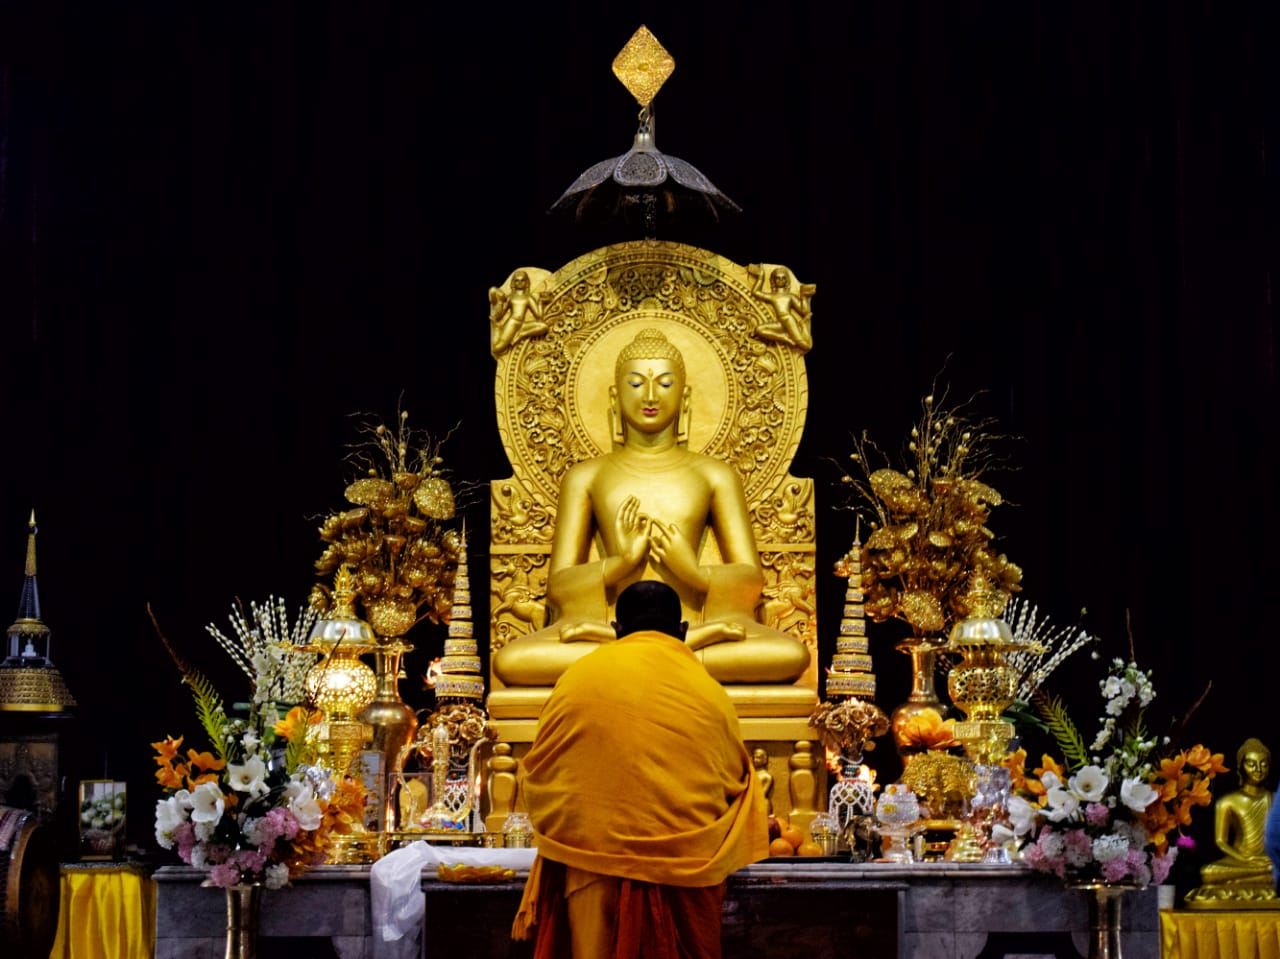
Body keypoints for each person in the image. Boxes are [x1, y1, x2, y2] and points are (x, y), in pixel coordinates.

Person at [491, 327, 811, 687]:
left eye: (664, 383)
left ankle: (653, 648)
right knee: (512, 660)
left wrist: (695, 573)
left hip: (696, 624)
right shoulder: (585, 477)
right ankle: (669, 650)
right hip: (607, 626)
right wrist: (620, 564)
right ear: (615, 397)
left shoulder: (715, 475)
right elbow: (559, 584)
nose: (650, 395)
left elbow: (751, 580)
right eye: (635, 383)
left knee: (790, 655)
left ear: (685, 396)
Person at [511, 580, 771, 958]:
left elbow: (540, 774)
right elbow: (732, 781)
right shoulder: (709, 691)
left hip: (590, 864)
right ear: (683, 632)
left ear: (616, 631)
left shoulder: (577, 677)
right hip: (684, 871)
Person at [1189, 737, 1274, 896]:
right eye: (1251, 764)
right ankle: (1256, 882)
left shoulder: (1275, 799)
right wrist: (1246, 860)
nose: (1258, 769)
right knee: (1208, 873)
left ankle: (1243, 884)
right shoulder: (1227, 802)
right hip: (1239, 860)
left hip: (1269, 862)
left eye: (1263, 763)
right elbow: (1220, 841)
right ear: (1240, 767)